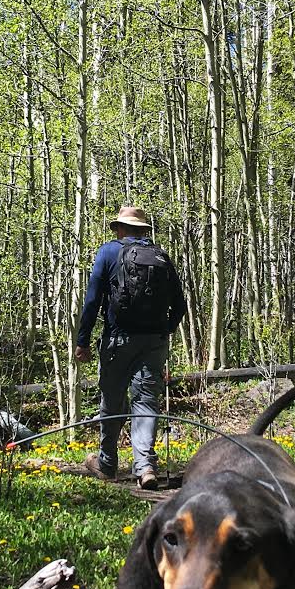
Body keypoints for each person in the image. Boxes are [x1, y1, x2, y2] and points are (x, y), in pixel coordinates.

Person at [74, 205, 186, 491]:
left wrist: (82, 341)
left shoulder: (109, 252)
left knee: (112, 400)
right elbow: (181, 305)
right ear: (143, 230)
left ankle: (107, 463)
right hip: (154, 342)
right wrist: (164, 331)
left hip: (118, 341)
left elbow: (92, 301)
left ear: (121, 229)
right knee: (146, 401)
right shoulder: (161, 257)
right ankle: (146, 466)